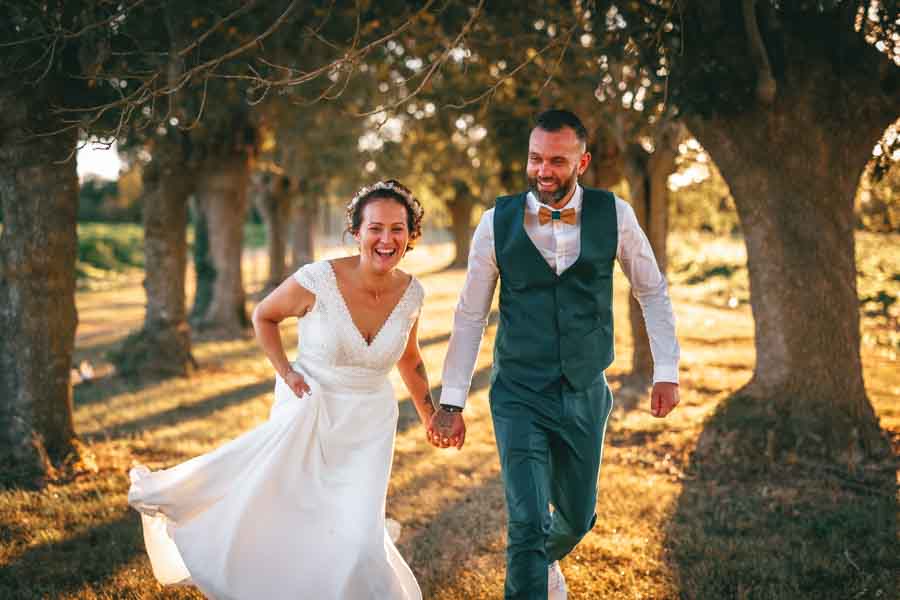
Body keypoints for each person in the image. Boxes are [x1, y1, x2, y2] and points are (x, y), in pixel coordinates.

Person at [128, 179, 434, 600]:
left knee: (358, 539)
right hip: (311, 413)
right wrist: (287, 372)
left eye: (397, 228)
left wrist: (433, 417)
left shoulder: (412, 294)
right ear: (357, 233)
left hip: (370, 426)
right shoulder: (318, 280)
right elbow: (264, 316)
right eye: (376, 228)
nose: (386, 239)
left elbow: (410, 358)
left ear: (410, 234)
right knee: (295, 522)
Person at [427, 109, 681, 600]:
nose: (544, 171)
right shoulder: (494, 224)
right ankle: (531, 578)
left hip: (586, 391)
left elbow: (651, 291)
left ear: (582, 162)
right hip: (518, 393)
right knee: (525, 523)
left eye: (557, 161)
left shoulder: (616, 215)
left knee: (578, 517)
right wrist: (453, 401)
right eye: (536, 159)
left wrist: (665, 370)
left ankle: (539, 567)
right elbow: (469, 316)